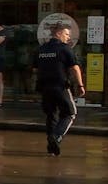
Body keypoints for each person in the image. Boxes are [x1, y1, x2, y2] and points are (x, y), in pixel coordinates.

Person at [35, 24, 84, 156]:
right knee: (70, 113)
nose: (68, 38)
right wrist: (80, 85)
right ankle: (56, 137)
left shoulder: (42, 49)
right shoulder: (64, 49)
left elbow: (35, 68)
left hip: (45, 87)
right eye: (66, 34)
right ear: (59, 33)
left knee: (51, 115)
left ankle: (51, 147)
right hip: (60, 86)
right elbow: (74, 68)